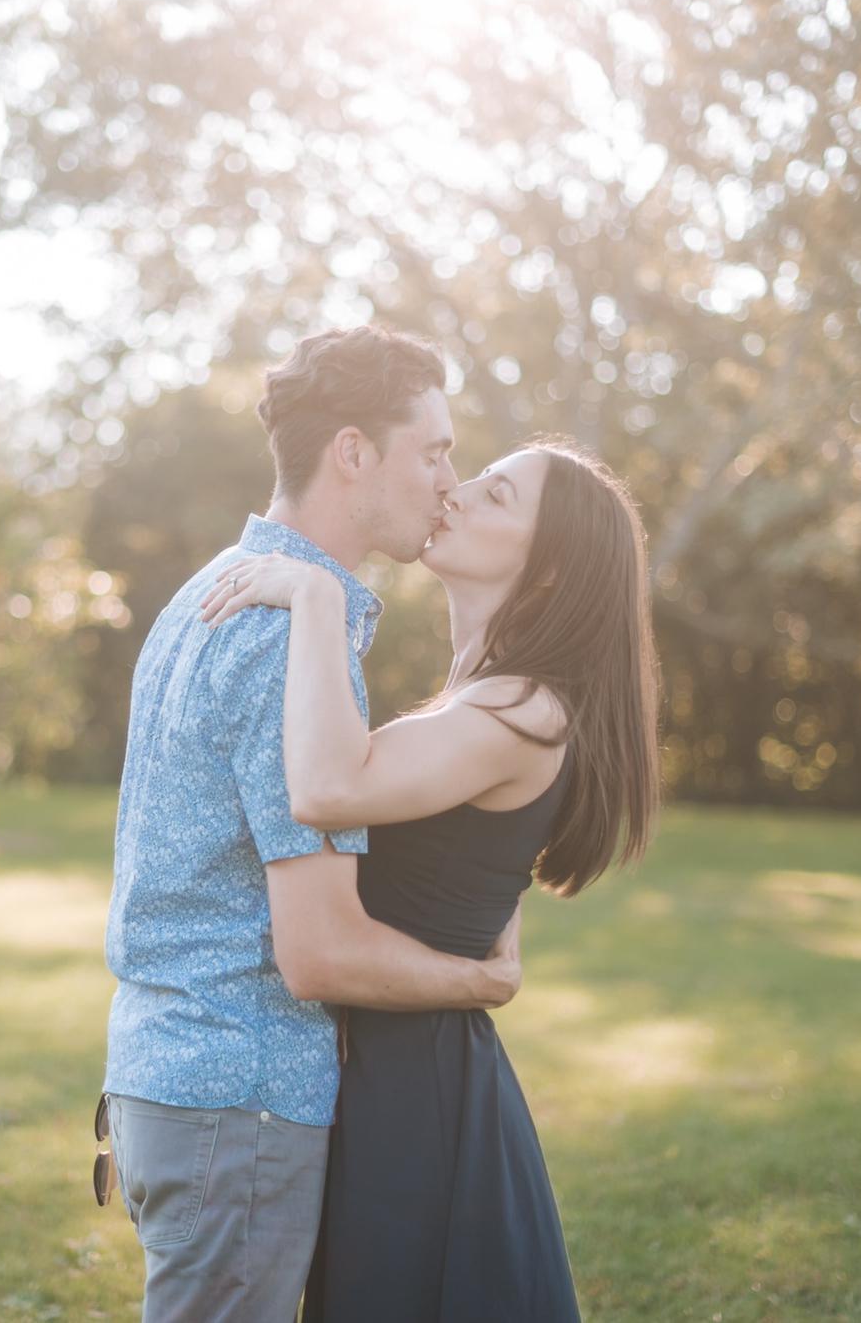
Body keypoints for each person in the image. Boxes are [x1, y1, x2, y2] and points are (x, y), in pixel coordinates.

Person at [100, 325, 528, 1323]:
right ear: (351, 452)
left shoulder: (206, 592)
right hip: (234, 1098)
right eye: (432, 450)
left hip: (168, 1078)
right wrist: (481, 978)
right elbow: (319, 952)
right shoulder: (288, 637)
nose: (447, 479)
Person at [198, 433, 663, 1322]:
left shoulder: (520, 707)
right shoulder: (482, 700)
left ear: (551, 572)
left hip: (416, 1095)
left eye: (495, 497)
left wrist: (316, 594)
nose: (456, 493)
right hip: (394, 1067)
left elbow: (330, 789)